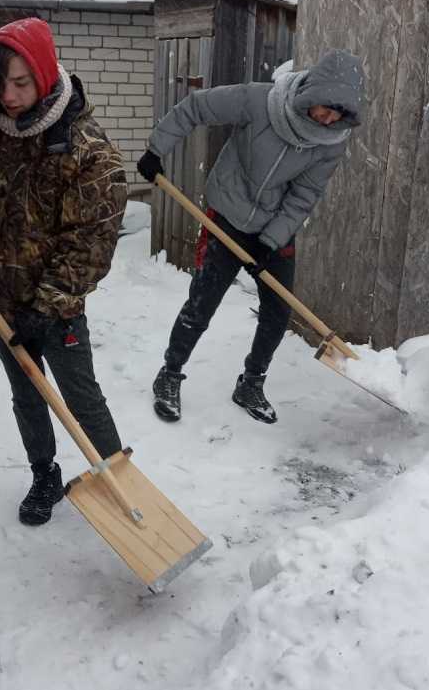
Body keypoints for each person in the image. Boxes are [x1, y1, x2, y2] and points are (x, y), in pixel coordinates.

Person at [0, 18, 128, 526]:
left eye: (21, 83)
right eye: (0, 85)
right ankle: (45, 474)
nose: (10, 96)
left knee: (82, 398)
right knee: (27, 394)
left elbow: (90, 242)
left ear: (43, 74)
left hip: (55, 305)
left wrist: (48, 305)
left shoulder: (88, 150)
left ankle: (122, 485)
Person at [137, 49, 365, 425]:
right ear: (310, 93)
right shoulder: (261, 101)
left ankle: (251, 383)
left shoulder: (332, 141)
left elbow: (304, 195)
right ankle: (170, 375)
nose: (328, 118)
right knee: (202, 303)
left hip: (274, 227)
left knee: (278, 313)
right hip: (227, 215)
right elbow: (197, 107)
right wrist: (155, 149)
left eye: (337, 114)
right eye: (324, 108)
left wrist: (270, 240)